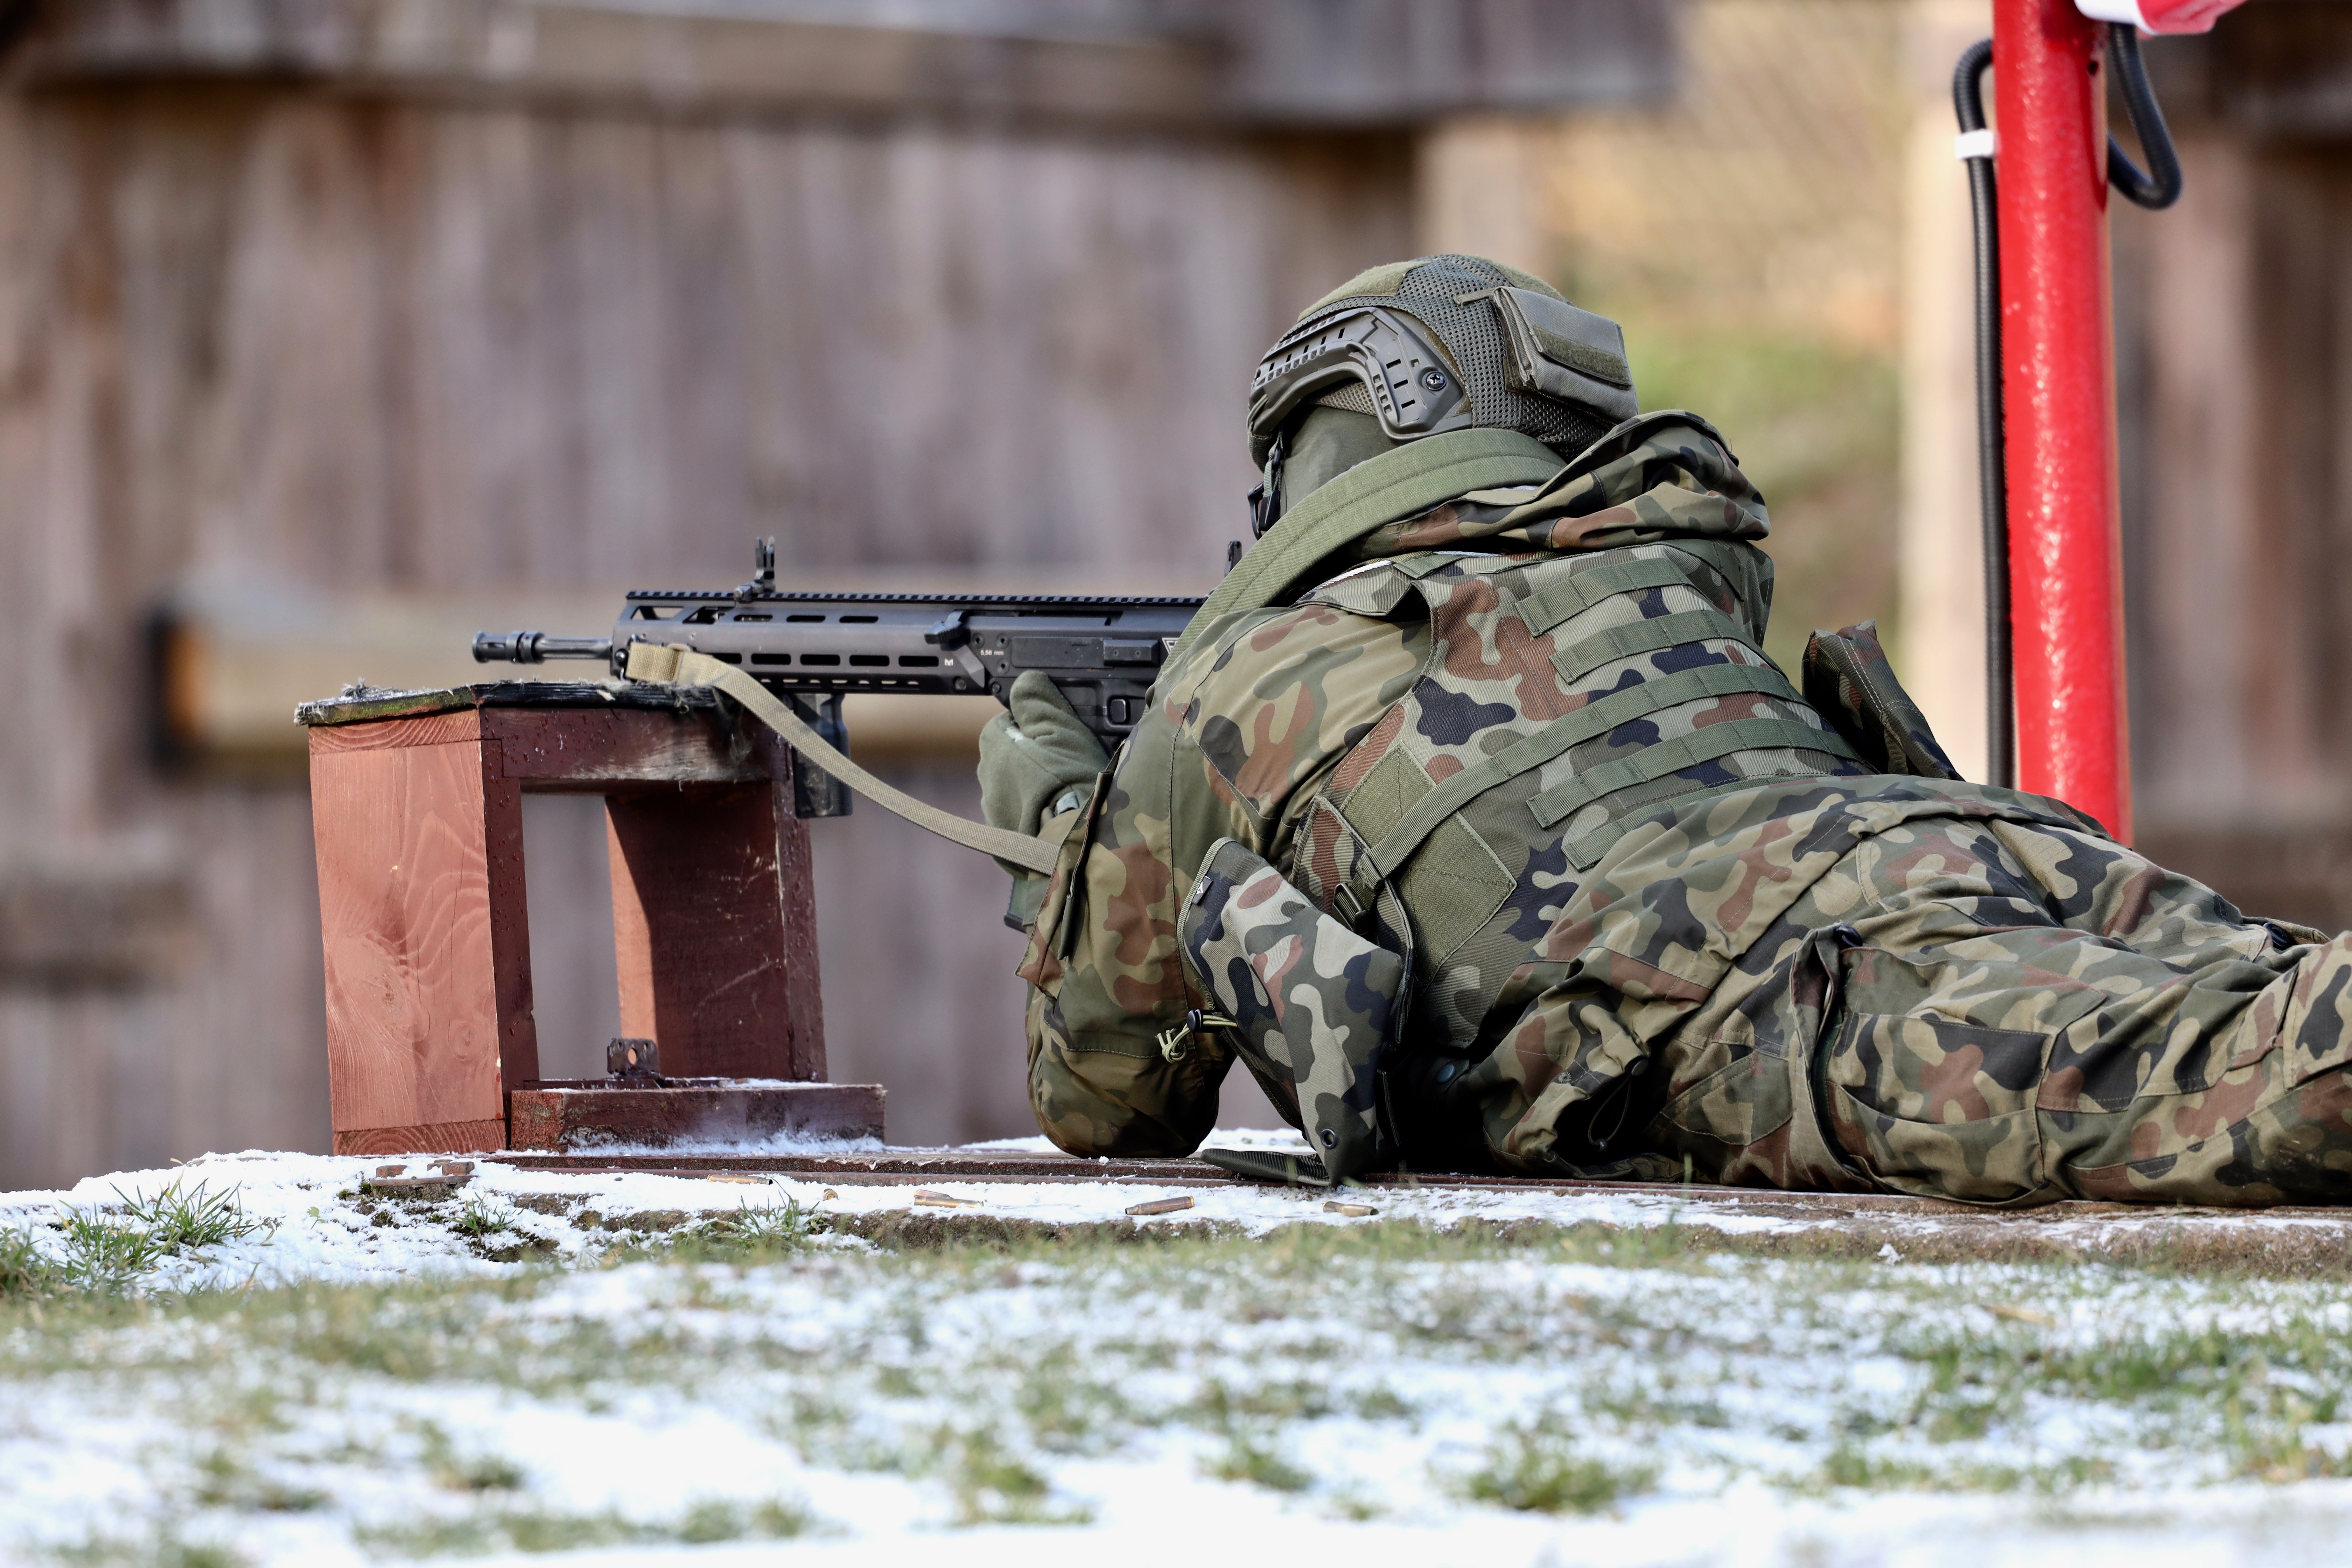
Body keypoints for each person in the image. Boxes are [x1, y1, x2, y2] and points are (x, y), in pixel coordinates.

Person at [976, 253, 2352, 1208]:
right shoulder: (1664, 568)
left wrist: (1057, 825)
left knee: (2250, 1087)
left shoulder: (1238, 686)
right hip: (1957, 845)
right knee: (2279, 1000)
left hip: (1763, 987)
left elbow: (1105, 1099)